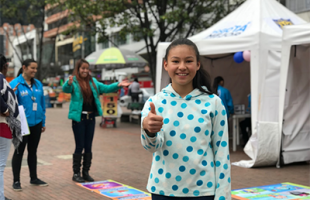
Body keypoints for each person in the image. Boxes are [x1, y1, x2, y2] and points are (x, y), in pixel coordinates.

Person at [141, 38, 231, 200]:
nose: (182, 67)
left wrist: (223, 194)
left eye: (188, 61)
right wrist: (149, 131)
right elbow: (151, 147)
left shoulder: (213, 103)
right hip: (163, 190)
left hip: (203, 191)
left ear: (197, 65)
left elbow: (221, 152)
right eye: (176, 61)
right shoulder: (155, 103)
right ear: (166, 65)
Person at [63, 59, 130, 183]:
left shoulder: (93, 82)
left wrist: (118, 85)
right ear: (78, 69)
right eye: (82, 68)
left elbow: (105, 88)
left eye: (86, 68)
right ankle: (76, 173)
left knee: (88, 146)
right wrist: (68, 83)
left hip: (91, 118)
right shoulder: (74, 81)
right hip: (79, 119)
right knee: (80, 146)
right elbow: (66, 89)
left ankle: (86, 172)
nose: (85, 70)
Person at [10, 59, 47, 191]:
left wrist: (43, 121)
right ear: (24, 68)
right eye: (32, 68)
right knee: (19, 151)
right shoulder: (14, 84)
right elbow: (10, 105)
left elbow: (42, 105)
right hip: (21, 125)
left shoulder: (38, 85)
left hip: (36, 123)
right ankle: (16, 181)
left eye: (36, 68)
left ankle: (34, 178)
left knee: (33, 151)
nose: (35, 71)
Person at [0, 54, 22, 200]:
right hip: (2, 125)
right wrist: (6, 109)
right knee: (0, 166)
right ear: (5, 66)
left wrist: (10, 94)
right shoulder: (0, 78)